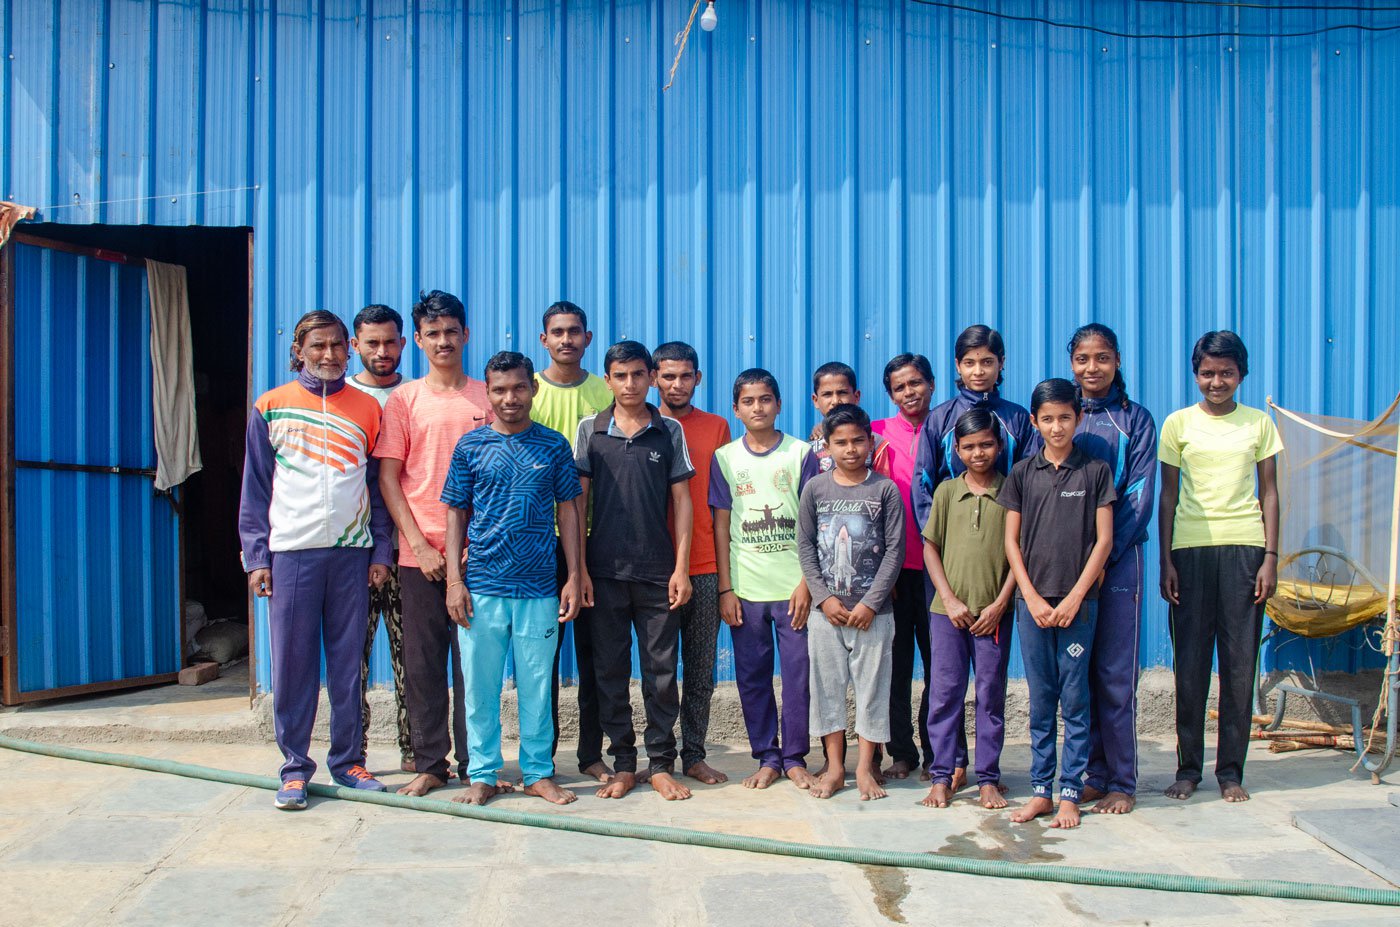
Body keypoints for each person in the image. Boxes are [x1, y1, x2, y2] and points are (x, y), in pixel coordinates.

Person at [239, 310, 393, 810]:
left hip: (351, 555)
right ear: (299, 351)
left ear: (349, 349)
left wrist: (381, 551)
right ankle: (293, 769)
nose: (327, 355)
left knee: (348, 665)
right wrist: (257, 555)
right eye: (317, 346)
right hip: (291, 556)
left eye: (336, 346)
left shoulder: (368, 408)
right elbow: (255, 489)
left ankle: (347, 761)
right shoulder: (272, 407)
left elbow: (377, 486)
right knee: (292, 666)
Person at [441, 352, 584, 806]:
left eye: (518, 388)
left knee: (538, 685)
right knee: (479, 686)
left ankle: (538, 772)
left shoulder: (554, 446)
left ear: (533, 389)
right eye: (499, 390)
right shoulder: (470, 447)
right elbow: (454, 514)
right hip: (481, 586)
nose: (509, 398)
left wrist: (575, 575)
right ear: (488, 392)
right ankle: (482, 773)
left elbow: (569, 510)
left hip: (539, 586)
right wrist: (453, 580)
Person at [911, 323, 1038, 791]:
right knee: (944, 684)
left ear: (1001, 364)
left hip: (1000, 571)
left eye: (987, 361)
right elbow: (924, 488)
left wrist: (1011, 589)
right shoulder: (941, 419)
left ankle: (986, 773)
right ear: (957, 367)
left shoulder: (1018, 420)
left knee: (989, 687)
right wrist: (940, 539)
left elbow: (1030, 486)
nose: (979, 370)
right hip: (946, 565)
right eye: (969, 362)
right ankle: (949, 766)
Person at [1158, 331, 1280, 804]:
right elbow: (1168, 494)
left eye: (1226, 372)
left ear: (1241, 375)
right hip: (1189, 551)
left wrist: (1270, 556)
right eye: (1207, 372)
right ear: (1196, 374)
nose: (1216, 381)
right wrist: (1166, 557)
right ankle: (1188, 769)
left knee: (1238, 665)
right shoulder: (1178, 424)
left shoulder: (1259, 424)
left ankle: (1231, 771)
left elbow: (1269, 491)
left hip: (1246, 550)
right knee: (1189, 667)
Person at [376, 290, 488, 797]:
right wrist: (419, 545)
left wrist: (476, 547)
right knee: (423, 664)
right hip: (418, 553)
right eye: (433, 333)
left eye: (452, 331)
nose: (444, 341)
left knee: (475, 667)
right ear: (417, 340)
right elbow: (390, 478)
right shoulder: (405, 400)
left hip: (482, 554)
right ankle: (430, 763)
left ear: (466, 334)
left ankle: (476, 764)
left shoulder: (490, 396)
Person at [574, 341, 695, 801]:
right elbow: (576, 503)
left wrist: (680, 569)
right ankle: (624, 764)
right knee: (609, 671)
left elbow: (682, 503)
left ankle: (661, 763)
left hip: (657, 572)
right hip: (602, 573)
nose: (630, 384)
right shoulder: (591, 429)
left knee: (661, 673)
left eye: (638, 375)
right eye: (620, 376)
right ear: (607, 380)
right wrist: (579, 569)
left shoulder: (669, 432)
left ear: (650, 378)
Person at [999, 378, 1115, 829]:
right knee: (1041, 698)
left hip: (1078, 607)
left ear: (1078, 417)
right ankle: (1041, 791)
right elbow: (1011, 541)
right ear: (1034, 422)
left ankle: (1071, 791)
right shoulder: (1023, 473)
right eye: (1047, 418)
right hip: (1033, 606)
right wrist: (1028, 595)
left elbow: (1103, 541)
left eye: (1065, 417)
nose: (1056, 426)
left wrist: (1075, 597)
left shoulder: (1095, 471)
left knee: (1075, 696)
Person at [710, 369, 820, 790]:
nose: (758, 408)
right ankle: (767, 756)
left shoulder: (800, 454)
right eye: (749, 401)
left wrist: (808, 582)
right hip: (747, 591)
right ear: (736, 409)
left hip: (795, 590)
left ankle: (794, 756)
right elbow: (721, 527)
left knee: (797, 676)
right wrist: (726, 588)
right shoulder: (725, 458)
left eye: (766, 399)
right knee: (752, 677)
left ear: (778, 404)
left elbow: (814, 524)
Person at [1067, 323, 1158, 815]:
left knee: (1114, 674)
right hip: (1068, 569)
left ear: (1117, 361)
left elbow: (1139, 497)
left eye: (1102, 358)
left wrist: (1104, 558)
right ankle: (1092, 774)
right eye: (1083, 359)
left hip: (1120, 563)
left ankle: (1122, 780)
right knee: (1077, 672)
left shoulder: (1134, 420)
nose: (1092, 368)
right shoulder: (1063, 416)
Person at [797, 404, 905, 801]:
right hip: (827, 615)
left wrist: (872, 603)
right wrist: (823, 599)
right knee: (827, 689)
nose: (850, 449)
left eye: (858, 440)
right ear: (827, 446)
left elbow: (895, 550)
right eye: (840, 442)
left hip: (873, 615)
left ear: (870, 441)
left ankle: (864, 768)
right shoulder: (816, 489)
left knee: (872, 690)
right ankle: (836, 767)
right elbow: (806, 547)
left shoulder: (884, 490)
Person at [530, 300, 614, 783]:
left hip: (594, 543)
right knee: (539, 660)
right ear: (544, 339)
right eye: (557, 332)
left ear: (587, 337)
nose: (566, 339)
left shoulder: (607, 392)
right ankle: (543, 759)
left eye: (574, 332)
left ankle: (590, 754)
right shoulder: (527, 391)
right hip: (538, 547)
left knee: (595, 656)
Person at [919, 408, 1016, 811]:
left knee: (991, 694)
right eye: (969, 446)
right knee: (945, 693)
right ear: (956, 449)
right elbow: (931, 547)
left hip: (993, 614)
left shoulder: (1013, 491)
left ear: (999, 446)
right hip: (947, 613)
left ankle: (988, 777)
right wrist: (950, 598)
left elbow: (1019, 554)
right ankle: (943, 775)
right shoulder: (945, 492)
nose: (978, 453)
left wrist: (1000, 603)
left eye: (986, 445)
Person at [654, 341, 732, 785]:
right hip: (653, 570)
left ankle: (694, 755)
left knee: (700, 669)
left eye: (685, 376)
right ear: (653, 377)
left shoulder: (716, 426)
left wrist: (724, 578)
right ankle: (659, 757)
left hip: (704, 567)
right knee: (659, 671)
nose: (677, 384)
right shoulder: (641, 425)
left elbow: (722, 506)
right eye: (668, 376)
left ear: (698, 379)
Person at [346, 303, 413, 773]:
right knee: (352, 656)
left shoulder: (414, 397)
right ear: (355, 346)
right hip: (353, 550)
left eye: (390, 341)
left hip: (411, 547)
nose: (382, 351)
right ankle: (354, 752)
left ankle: (417, 750)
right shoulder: (343, 399)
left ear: (404, 344)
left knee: (412, 657)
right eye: (372, 342)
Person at [871, 353, 936, 780]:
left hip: (939, 570)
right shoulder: (875, 434)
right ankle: (902, 751)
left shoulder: (949, 428)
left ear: (931, 383)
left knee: (940, 667)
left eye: (915, 383)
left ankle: (939, 750)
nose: (909, 392)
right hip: (892, 573)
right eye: (899, 387)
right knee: (895, 668)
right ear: (890, 394)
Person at [808, 361, 890, 473]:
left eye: (842, 393)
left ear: (856, 397)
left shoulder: (875, 442)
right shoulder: (810, 447)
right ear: (816, 400)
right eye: (827, 394)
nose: (836, 401)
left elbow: (883, 486)